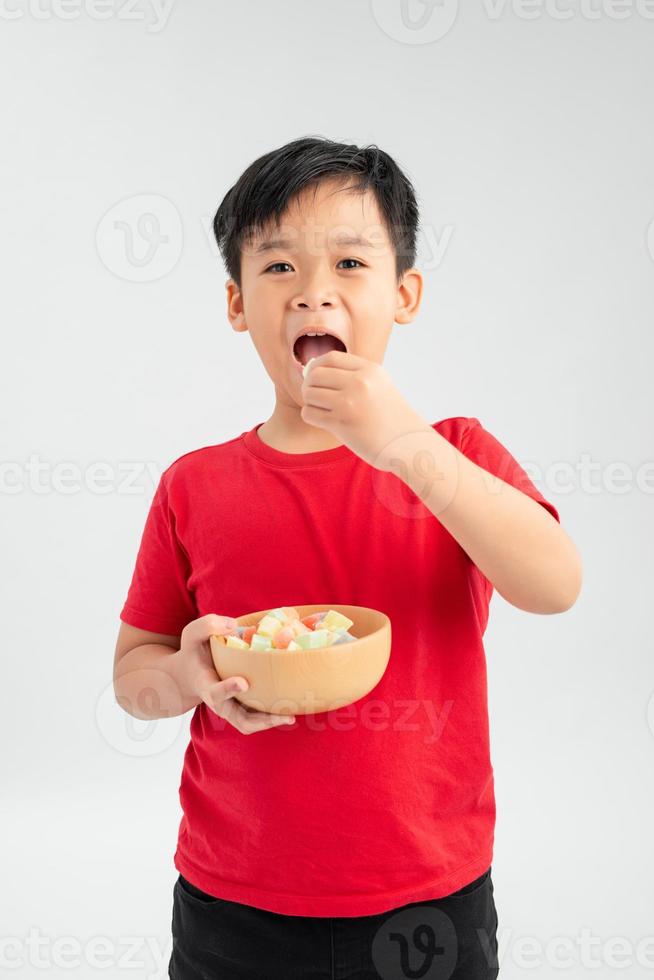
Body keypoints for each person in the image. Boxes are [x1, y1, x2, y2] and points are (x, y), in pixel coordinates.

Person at [113, 136, 582, 979]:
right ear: (235, 303)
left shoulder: (456, 453)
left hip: (430, 899)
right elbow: (133, 678)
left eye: (350, 264)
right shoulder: (195, 484)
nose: (313, 294)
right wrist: (187, 677)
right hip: (233, 904)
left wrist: (405, 444)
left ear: (404, 294)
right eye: (280, 268)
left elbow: (555, 584)